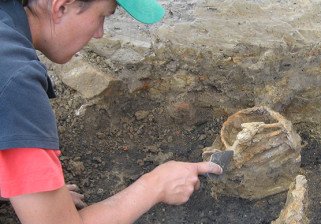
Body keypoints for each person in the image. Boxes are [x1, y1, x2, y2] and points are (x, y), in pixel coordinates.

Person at [0, 0, 223, 223]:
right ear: (61, 7)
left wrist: (39, 197)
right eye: (101, 16)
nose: (100, 33)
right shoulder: (16, 83)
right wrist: (155, 185)